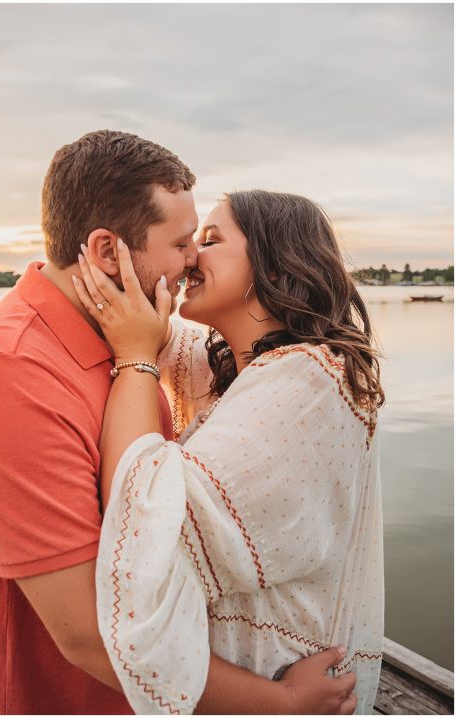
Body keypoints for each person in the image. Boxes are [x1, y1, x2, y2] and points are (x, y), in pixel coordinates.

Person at [0, 130, 356, 714]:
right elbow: (87, 633)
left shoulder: (138, 342)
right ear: (108, 253)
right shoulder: (9, 373)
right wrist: (276, 701)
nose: (191, 260)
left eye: (202, 241)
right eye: (183, 242)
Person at [73, 189, 383, 714]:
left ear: (277, 267)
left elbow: (151, 523)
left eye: (210, 241)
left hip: (288, 682)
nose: (191, 255)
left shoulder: (312, 381)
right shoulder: (233, 367)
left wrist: (133, 358)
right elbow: (151, 326)